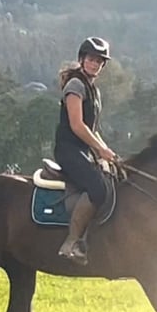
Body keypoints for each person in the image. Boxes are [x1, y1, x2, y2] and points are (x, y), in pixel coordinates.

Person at [54, 36, 118, 265]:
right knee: (98, 189)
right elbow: (77, 125)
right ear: (82, 59)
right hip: (69, 150)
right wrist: (100, 149)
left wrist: (107, 152)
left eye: (99, 62)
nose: (95, 64)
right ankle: (72, 243)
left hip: (84, 149)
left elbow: (92, 129)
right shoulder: (75, 86)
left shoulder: (94, 91)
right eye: (91, 59)